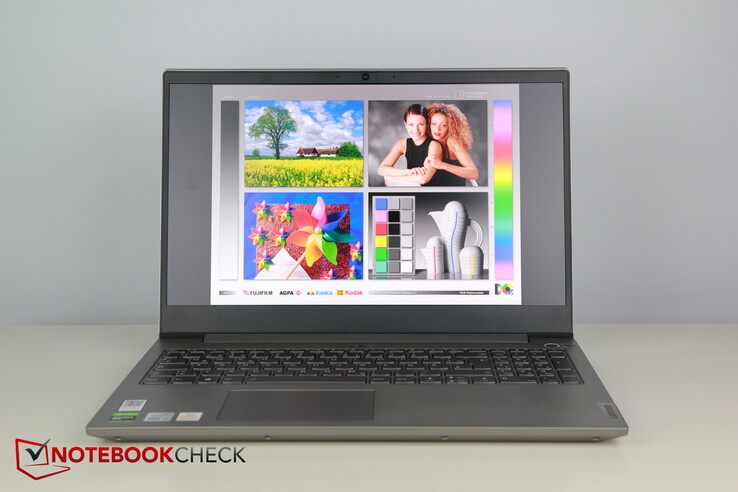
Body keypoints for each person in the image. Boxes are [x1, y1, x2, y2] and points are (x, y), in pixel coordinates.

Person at [376, 104, 442, 185]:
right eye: (411, 124)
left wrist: (393, 177)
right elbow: (381, 170)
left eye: (421, 124)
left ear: (427, 124)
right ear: (405, 124)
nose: (416, 129)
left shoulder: (434, 145)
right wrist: (407, 172)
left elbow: (423, 179)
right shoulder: (402, 144)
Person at [423, 103, 479, 186]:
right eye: (434, 123)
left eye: (443, 125)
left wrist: (442, 165)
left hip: (453, 190)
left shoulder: (452, 142)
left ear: (450, 126)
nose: (437, 129)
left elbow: (474, 173)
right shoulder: (429, 139)